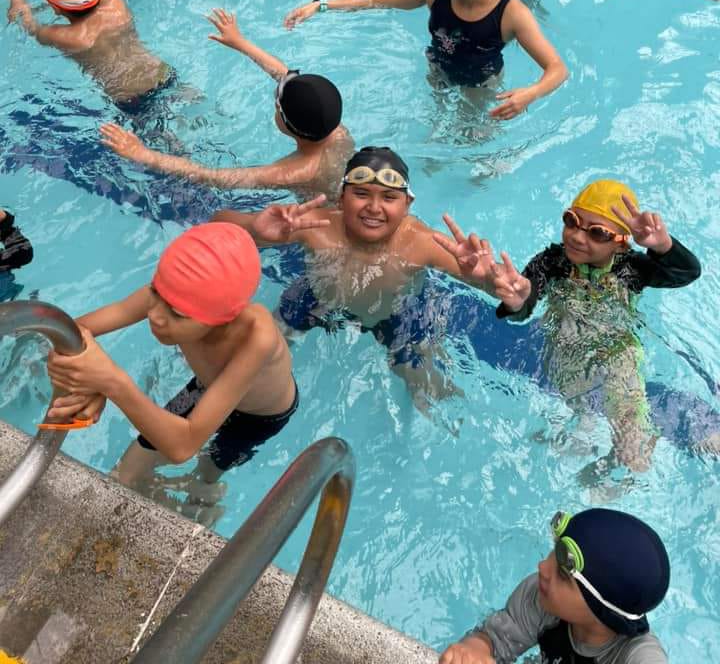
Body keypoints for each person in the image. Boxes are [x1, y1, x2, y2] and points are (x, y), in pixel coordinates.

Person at [212, 146, 502, 409]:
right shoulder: (317, 227)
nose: (374, 208)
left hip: (398, 313)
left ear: (407, 204)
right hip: (318, 295)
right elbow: (218, 223)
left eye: (389, 197)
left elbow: (501, 290)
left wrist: (494, 282)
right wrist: (255, 229)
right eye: (361, 194)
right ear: (341, 198)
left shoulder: (423, 243)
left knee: (428, 390)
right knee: (251, 359)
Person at [45, 223, 298, 521]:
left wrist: (111, 381)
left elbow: (183, 447)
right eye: (155, 293)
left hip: (258, 418)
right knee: (126, 470)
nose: (155, 315)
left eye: (177, 314)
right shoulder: (172, 294)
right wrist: (93, 382)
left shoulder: (256, 338)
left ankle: (204, 501)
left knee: (207, 469)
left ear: (223, 318)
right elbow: (69, 332)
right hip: (206, 387)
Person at [465, 179, 701, 472]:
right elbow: (524, 304)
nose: (577, 236)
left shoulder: (632, 268)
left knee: (633, 451)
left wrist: (663, 246)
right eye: (571, 221)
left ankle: (619, 471)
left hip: (617, 352)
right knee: (575, 416)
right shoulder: (551, 262)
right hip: (565, 347)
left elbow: (686, 273)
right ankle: (586, 429)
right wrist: (517, 302)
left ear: (620, 243)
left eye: (597, 233)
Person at [285, 0, 568, 120]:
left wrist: (531, 93)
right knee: (435, 120)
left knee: (472, 133)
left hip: (480, 84)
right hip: (437, 69)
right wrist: (322, 5)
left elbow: (557, 68)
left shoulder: (511, 14)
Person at [100, 7, 354, 197]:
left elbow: (212, 176)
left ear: (284, 120)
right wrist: (240, 42)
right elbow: (283, 74)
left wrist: (143, 154)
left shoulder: (292, 173)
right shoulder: (336, 130)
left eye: (277, 102)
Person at [440, 508, 671, 664]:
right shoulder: (541, 595)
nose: (543, 567)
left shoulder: (637, 655)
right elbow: (496, 638)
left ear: (600, 609)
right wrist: (476, 648)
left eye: (562, 574)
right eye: (554, 550)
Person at [0, 0, 174, 110]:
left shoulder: (69, 37)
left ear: (55, 8)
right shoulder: (115, 4)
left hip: (131, 99)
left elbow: (27, 24)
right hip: (161, 74)